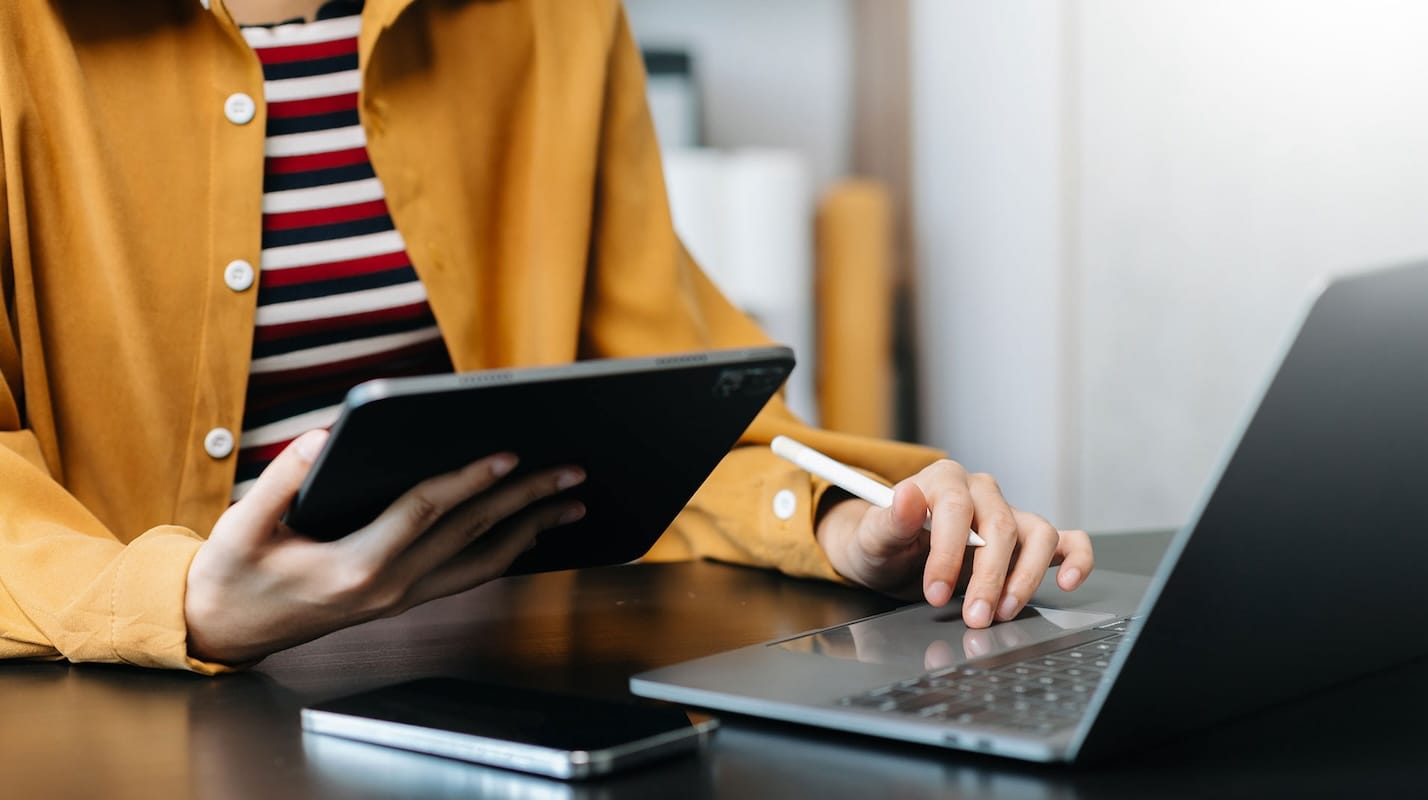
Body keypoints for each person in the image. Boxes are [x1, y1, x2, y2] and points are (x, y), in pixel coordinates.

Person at [0, 0, 1093, 673]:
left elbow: (645, 392)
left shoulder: (555, 15)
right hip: (103, 712)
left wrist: (849, 518)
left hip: (500, 691)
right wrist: (177, 605)